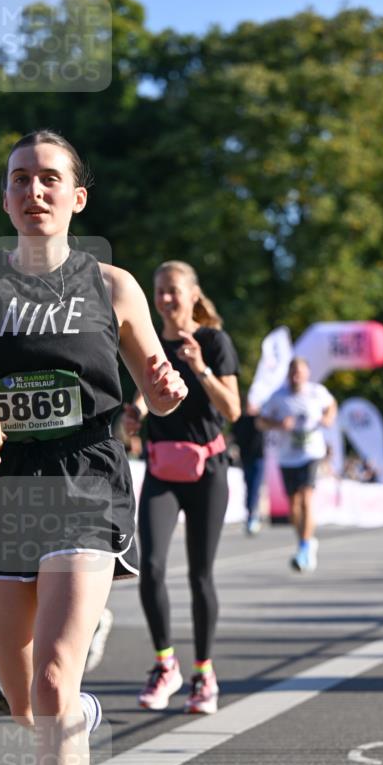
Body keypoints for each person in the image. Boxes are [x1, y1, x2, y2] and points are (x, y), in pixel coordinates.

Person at [0, 131, 186, 765]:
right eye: (20, 179)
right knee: (28, 701)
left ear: (76, 198)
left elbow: (160, 397)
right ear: (6, 196)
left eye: (50, 178)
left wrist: (163, 387)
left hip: (85, 487)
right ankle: (81, 712)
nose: (34, 190)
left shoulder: (114, 286)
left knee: (53, 676)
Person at [124, 261, 240, 715]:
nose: (166, 299)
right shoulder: (147, 340)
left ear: (193, 295)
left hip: (207, 469)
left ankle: (204, 674)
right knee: (149, 566)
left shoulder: (213, 341)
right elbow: (142, 395)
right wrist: (133, 416)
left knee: (199, 575)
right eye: (159, 291)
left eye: (173, 290)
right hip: (161, 467)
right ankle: (165, 664)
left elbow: (233, 409)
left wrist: (200, 368)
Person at [257, 357, 337, 572]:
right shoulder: (278, 397)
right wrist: (278, 424)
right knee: (293, 505)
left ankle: (303, 547)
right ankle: (306, 541)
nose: (296, 376)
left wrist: (328, 417)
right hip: (286, 456)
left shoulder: (316, 392)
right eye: (293, 372)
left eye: (300, 372)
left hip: (311, 453)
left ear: (307, 374)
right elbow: (260, 421)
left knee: (306, 497)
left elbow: (331, 405)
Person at [233, 400, 265, 534]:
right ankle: (250, 514)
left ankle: (253, 515)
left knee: (255, 487)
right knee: (248, 485)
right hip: (245, 458)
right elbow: (235, 437)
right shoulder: (240, 419)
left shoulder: (260, 419)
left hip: (258, 458)